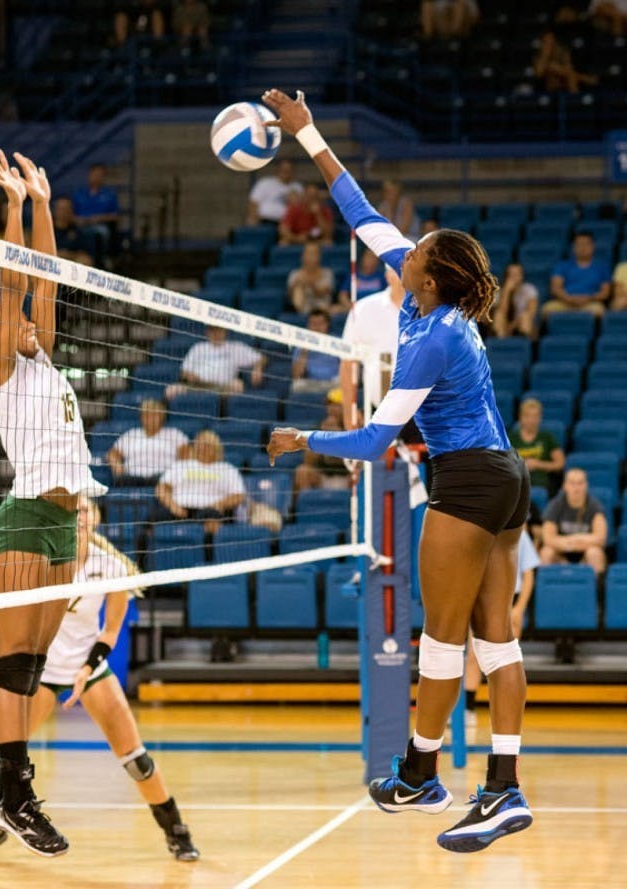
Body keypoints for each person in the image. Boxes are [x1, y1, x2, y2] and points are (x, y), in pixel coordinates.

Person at [264, 88, 533, 853]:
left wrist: (300, 437)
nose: (405, 244)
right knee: (497, 641)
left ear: (430, 275)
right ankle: (503, 790)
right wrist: (308, 132)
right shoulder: (426, 298)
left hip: (471, 480)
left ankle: (420, 773)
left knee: (442, 643)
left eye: (417, 247)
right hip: (502, 475)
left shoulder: (429, 341)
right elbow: (356, 209)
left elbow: (380, 438)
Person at [0, 150, 106, 856]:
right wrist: (10, 207)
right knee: (10, 661)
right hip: (29, 512)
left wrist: (41, 200)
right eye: (19, 317)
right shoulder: (4, 361)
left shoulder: (43, 356)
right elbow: (16, 280)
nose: (33, 321)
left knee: (31, 666)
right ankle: (15, 791)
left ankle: (8, 789)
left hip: (68, 520)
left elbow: (48, 279)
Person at [24, 496, 199, 860]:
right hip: (41, 670)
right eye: (73, 512)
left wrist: (86, 669)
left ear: (97, 518)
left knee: (136, 759)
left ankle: (175, 830)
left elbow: (109, 633)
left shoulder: (111, 567)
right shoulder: (38, 562)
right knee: (6, 753)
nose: (79, 516)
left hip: (90, 670)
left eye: (85, 510)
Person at [464, 525, 540, 727]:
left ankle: (505, 713)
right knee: (473, 654)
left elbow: (529, 573)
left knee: (507, 660)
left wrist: (520, 607)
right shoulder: (479, 531)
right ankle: (468, 708)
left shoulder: (519, 534)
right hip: (482, 596)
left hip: (510, 598)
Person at [340, 264, 405, 429]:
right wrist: (350, 411)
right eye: (399, 270)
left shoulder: (433, 309)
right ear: (388, 275)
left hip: (428, 411)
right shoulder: (363, 309)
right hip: (380, 410)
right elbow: (348, 364)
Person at [153, 430, 246, 535]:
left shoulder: (228, 469)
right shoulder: (180, 466)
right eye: (200, 445)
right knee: (154, 517)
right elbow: (161, 488)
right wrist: (172, 505)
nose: (203, 448)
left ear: (217, 449)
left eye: (208, 445)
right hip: (179, 508)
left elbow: (239, 496)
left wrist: (219, 505)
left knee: (212, 518)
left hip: (210, 510)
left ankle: (208, 548)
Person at [540, 467, 607, 575]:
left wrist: (570, 541)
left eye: (580, 483)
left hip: (585, 554)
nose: (576, 488)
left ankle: (597, 590)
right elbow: (548, 539)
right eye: (572, 483)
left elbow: (600, 539)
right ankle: (548, 589)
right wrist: (575, 542)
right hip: (561, 554)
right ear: (565, 486)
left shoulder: (595, 506)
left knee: (594, 553)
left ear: (586, 485)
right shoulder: (555, 505)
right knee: (546, 552)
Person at [106, 398, 189, 486]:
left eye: (154, 414)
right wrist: (118, 467)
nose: (150, 418)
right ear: (141, 417)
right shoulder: (131, 434)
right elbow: (112, 454)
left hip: (163, 477)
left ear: (162, 416)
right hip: (133, 478)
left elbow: (187, 455)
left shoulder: (174, 434)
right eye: (146, 414)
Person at [172, 325, 265, 395]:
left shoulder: (235, 347)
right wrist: (190, 376)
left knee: (238, 386)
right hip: (198, 386)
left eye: (218, 330)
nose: (215, 333)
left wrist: (258, 368)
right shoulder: (198, 347)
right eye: (212, 330)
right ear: (207, 332)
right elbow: (184, 371)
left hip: (223, 388)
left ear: (225, 331)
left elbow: (262, 358)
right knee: (172, 390)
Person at [544, 230, 611, 316]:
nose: (582, 248)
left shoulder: (602, 267)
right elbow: (555, 288)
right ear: (573, 247)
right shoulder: (562, 265)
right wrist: (569, 299)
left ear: (592, 247)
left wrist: (588, 298)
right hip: (565, 301)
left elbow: (605, 292)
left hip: (590, 303)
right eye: (579, 244)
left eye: (586, 244)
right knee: (547, 309)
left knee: (599, 311)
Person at [508, 398, 565, 494]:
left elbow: (560, 463)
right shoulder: (511, 438)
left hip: (543, 486)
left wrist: (538, 464)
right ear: (521, 417)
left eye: (535, 416)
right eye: (527, 416)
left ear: (540, 418)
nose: (531, 420)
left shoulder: (547, 437)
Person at [72, 163, 120, 265]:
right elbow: (70, 214)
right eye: (94, 174)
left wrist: (99, 218)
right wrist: (77, 219)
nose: (96, 177)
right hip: (80, 225)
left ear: (103, 177)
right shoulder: (80, 193)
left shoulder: (109, 194)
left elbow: (115, 216)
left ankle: (100, 262)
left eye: (99, 175)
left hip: (100, 225)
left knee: (101, 232)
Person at [291, 308, 340, 393]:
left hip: (333, 382)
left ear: (327, 324)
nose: (317, 327)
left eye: (320, 324)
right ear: (308, 326)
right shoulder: (301, 344)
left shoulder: (337, 342)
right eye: (313, 324)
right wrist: (304, 351)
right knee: (296, 386)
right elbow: (296, 375)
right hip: (312, 383)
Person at [533, 29, 598, 93]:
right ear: (542, 42)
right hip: (548, 85)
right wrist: (545, 55)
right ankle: (586, 79)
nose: (550, 43)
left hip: (564, 82)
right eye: (546, 41)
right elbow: (539, 74)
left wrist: (560, 71)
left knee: (570, 77)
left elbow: (569, 70)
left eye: (551, 40)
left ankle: (574, 100)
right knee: (551, 66)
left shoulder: (562, 52)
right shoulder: (538, 55)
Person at [246, 158, 303, 226]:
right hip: (265, 221)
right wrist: (253, 218)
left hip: (289, 224)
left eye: (288, 169)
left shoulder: (297, 187)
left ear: (293, 171)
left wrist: (294, 200)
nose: (286, 171)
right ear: (278, 170)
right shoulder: (265, 183)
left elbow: (302, 209)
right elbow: (253, 203)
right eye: (283, 169)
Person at [492, 263, 539, 339]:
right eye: (511, 275)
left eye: (517, 274)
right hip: (504, 327)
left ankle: (524, 345)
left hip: (522, 325)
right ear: (506, 277)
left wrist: (512, 326)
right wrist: (506, 291)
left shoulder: (529, 289)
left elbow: (531, 312)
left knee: (525, 317)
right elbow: (502, 311)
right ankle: (500, 346)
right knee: (498, 315)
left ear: (522, 276)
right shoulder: (499, 293)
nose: (514, 278)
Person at [287, 242, 335, 314]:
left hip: (322, 308)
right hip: (302, 307)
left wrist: (310, 283)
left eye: (313, 254)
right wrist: (299, 282)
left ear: (319, 256)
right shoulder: (295, 274)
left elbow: (323, 292)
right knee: (298, 287)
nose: (310, 257)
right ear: (302, 256)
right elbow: (290, 294)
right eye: (307, 253)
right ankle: (301, 314)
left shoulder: (327, 273)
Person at [52, 196, 94, 265]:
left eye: (66, 209)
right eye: (61, 209)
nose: (63, 212)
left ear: (71, 211)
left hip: (70, 263)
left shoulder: (77, 231)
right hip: (49, 262)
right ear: (55, 210)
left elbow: (85, 254)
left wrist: (67, 255)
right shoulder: (47, 228)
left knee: (85, 260)